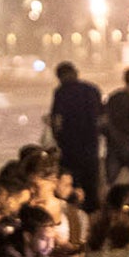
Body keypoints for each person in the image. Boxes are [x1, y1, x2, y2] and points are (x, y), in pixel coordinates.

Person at [46, 62, 105, 214]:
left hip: (69, 146)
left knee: (71, 182)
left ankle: (75, 215)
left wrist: (57, 137)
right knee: (91, 182)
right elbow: (102, 116)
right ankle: (92, 215)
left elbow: (56, 119)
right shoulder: (92, 89)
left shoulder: (61, 92)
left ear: (60, 76)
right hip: (91, 145)